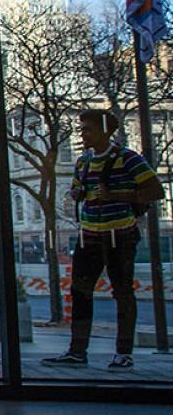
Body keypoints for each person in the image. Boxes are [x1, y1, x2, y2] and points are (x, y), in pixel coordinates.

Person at [43, 110, 162, 370]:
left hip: (119, 234)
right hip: (89, 235)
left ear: (105, 131)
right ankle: (77, 350)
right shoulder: (83, 161)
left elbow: (155, 190)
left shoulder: (128, 159)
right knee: (80, 291)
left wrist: (114, 196)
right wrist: (78, 193)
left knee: (122, 293)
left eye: (88, 129)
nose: (82, 133)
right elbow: (79, 189)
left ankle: (123, 352)